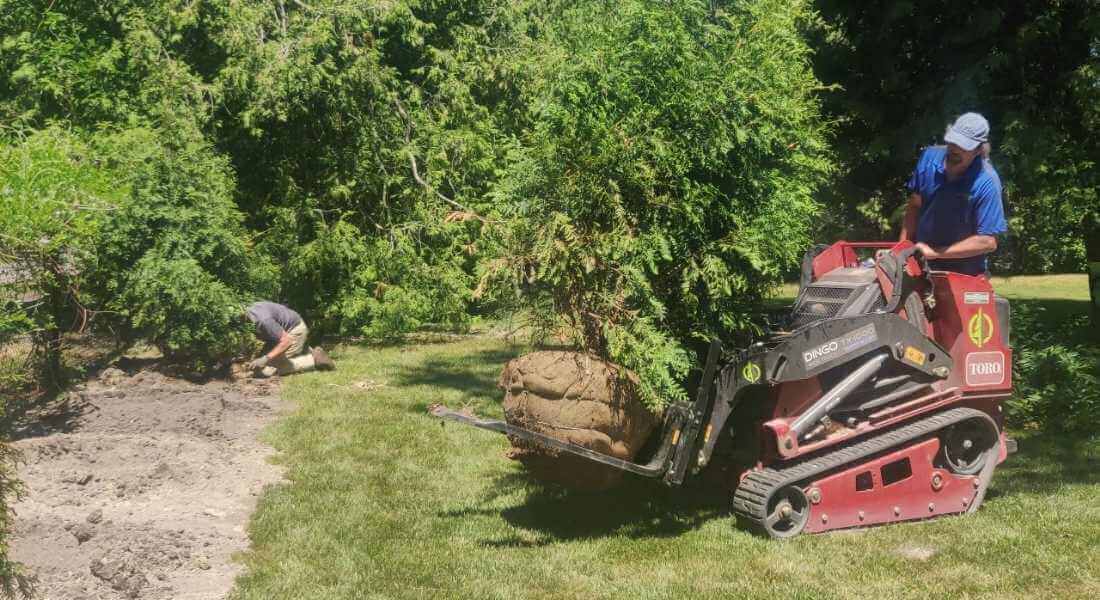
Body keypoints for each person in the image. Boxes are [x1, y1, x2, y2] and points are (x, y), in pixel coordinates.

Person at [899, 112, 1007, 276]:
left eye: (964, 146)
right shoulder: (929, 157)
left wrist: (936, 252)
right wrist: (901, 253)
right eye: (953, 141)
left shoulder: (987, 182)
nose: (955, 148)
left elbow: (988, 242)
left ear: (979, 149)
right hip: (921, 264)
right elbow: (914, 205)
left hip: (965, 274)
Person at [245, 301, 335, 376]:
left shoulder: (263, 321)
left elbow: (287, 341)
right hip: (284, 332)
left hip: (294, 332)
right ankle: (305, 350)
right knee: (260, 362)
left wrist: (265, 359)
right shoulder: (250, 309)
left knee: (268, 369)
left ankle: (313, 360)